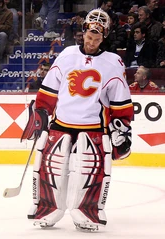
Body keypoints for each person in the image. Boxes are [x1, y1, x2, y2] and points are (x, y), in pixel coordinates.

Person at [21, 8, 133, 231]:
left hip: (92, 125)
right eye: (89, 37)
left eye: (97, 38)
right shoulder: (67, 54)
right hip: (61, 122)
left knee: (90, 168)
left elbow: (120, 99)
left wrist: (122, 126)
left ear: (105, 36)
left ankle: (87, 210)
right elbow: (51, 86)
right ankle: (48, 207)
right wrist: (41, 110)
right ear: (83, 33)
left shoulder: (113, 62)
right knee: (51, 165)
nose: (92, 42)